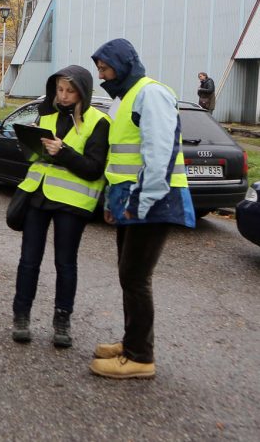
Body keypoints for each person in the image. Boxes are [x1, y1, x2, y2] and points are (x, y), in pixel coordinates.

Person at [89, 38, 195, 379]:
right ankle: (131, 342)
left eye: (105, 69)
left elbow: (159, 154)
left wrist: (142, 204)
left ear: (122, 65)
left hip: (150, 201)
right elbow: (120, 158)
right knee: (128, 275)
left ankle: (140, 357)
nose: (102, 76)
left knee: (135, 277)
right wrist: (111, 203)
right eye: (100, 70)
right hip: (130, 202)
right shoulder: (125, 99)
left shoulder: (151, 93)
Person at [12, 65, 110, 348]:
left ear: (83, 92)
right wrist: (28, 143)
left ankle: (62, 321)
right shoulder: (46, 115)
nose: (63, 96)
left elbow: (94, 169)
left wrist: (63, 151)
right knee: (28, 261)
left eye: (70, 91)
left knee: (65, 263)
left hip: (71, 202)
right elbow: (35, 158)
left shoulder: (98, 122)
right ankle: (21, 317)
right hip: (38, 195)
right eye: (59, 90)